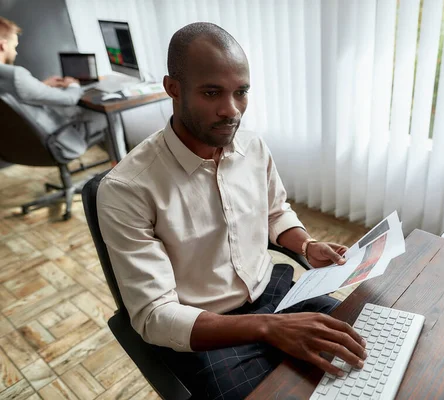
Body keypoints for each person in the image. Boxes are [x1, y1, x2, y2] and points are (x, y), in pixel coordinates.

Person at [97, 22, 367, 399]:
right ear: (173, 89)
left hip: (273, 293)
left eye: (241, 92)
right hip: (209, 327)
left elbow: (275, 213)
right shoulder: (127, 189)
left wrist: (305, 245)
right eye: (212, 93)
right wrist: (266, 328)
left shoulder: (253, 148)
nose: (231, 110)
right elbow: (154, 316)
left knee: (369, 344)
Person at [0, 16, 107, 159]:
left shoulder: (8, 77)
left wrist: (41, 86)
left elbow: (14, 97)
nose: (15, 52)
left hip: (18, 144)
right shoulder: (16, 75)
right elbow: (69, 99)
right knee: (107, 115)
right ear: (3, 45)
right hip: (53, 142)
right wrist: (73, 84)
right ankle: (119, 168)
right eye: (14, 47)